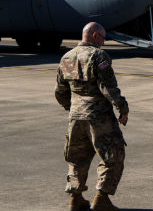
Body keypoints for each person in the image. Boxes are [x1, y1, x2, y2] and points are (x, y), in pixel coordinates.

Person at [55, 22, 129, 211]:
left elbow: (60, 91)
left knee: (76, 157)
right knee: (113, 154)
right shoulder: (98, 56)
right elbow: (108, 88)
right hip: (99, 117)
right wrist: (123, 108)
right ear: (95, 35)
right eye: (103, 38)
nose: (103, 42)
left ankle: (75, 198)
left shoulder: (66, 57)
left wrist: (72, 108)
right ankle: (101, 198)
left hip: (75, 116)